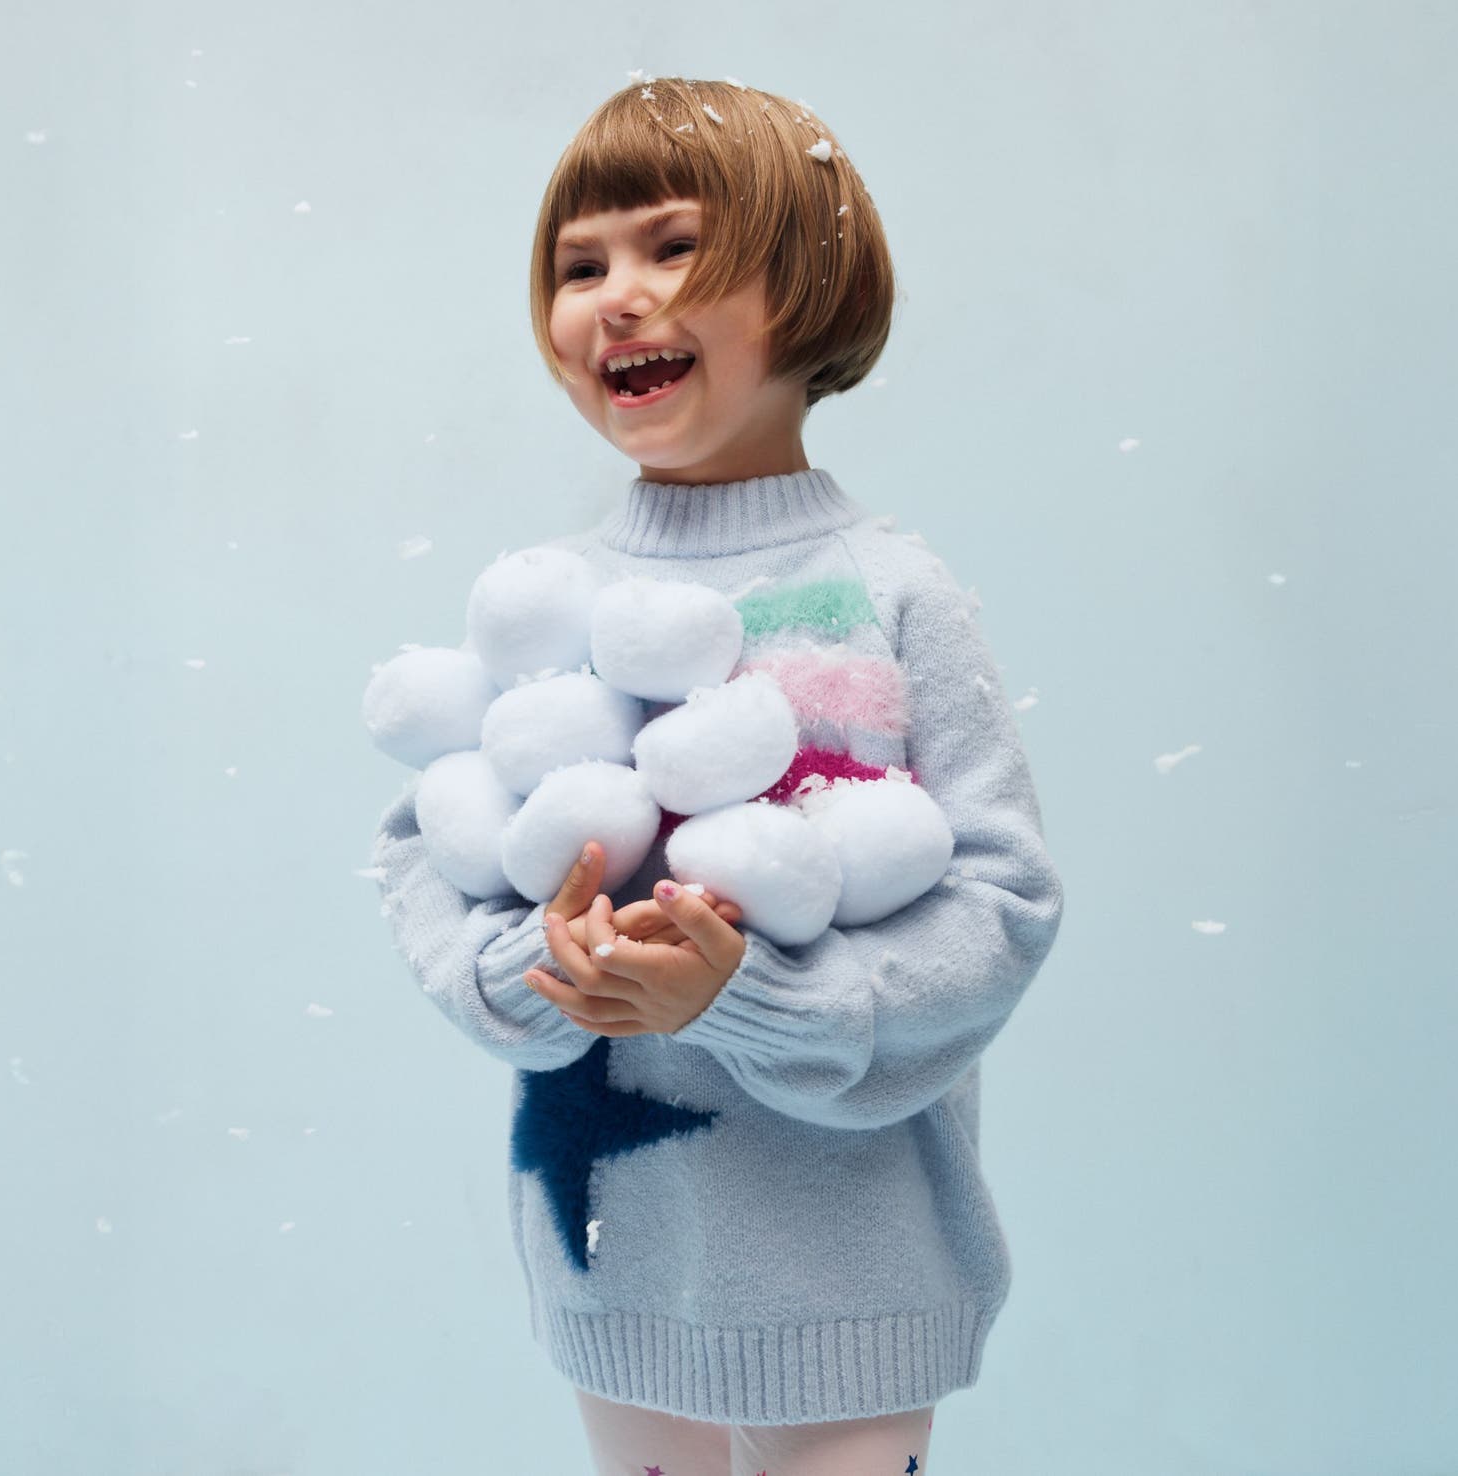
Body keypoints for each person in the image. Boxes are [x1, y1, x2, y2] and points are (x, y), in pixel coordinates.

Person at [369, 74, 1063, 1475]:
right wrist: (533, 968)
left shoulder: (891, 592)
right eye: (580, 265)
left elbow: (1001, 906)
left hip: (850, 1266)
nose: (616, 295)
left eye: (671, 247)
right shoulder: (544, 607)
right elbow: (426, 856)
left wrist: (753, 997)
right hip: (612, 1257)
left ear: (806, 284)